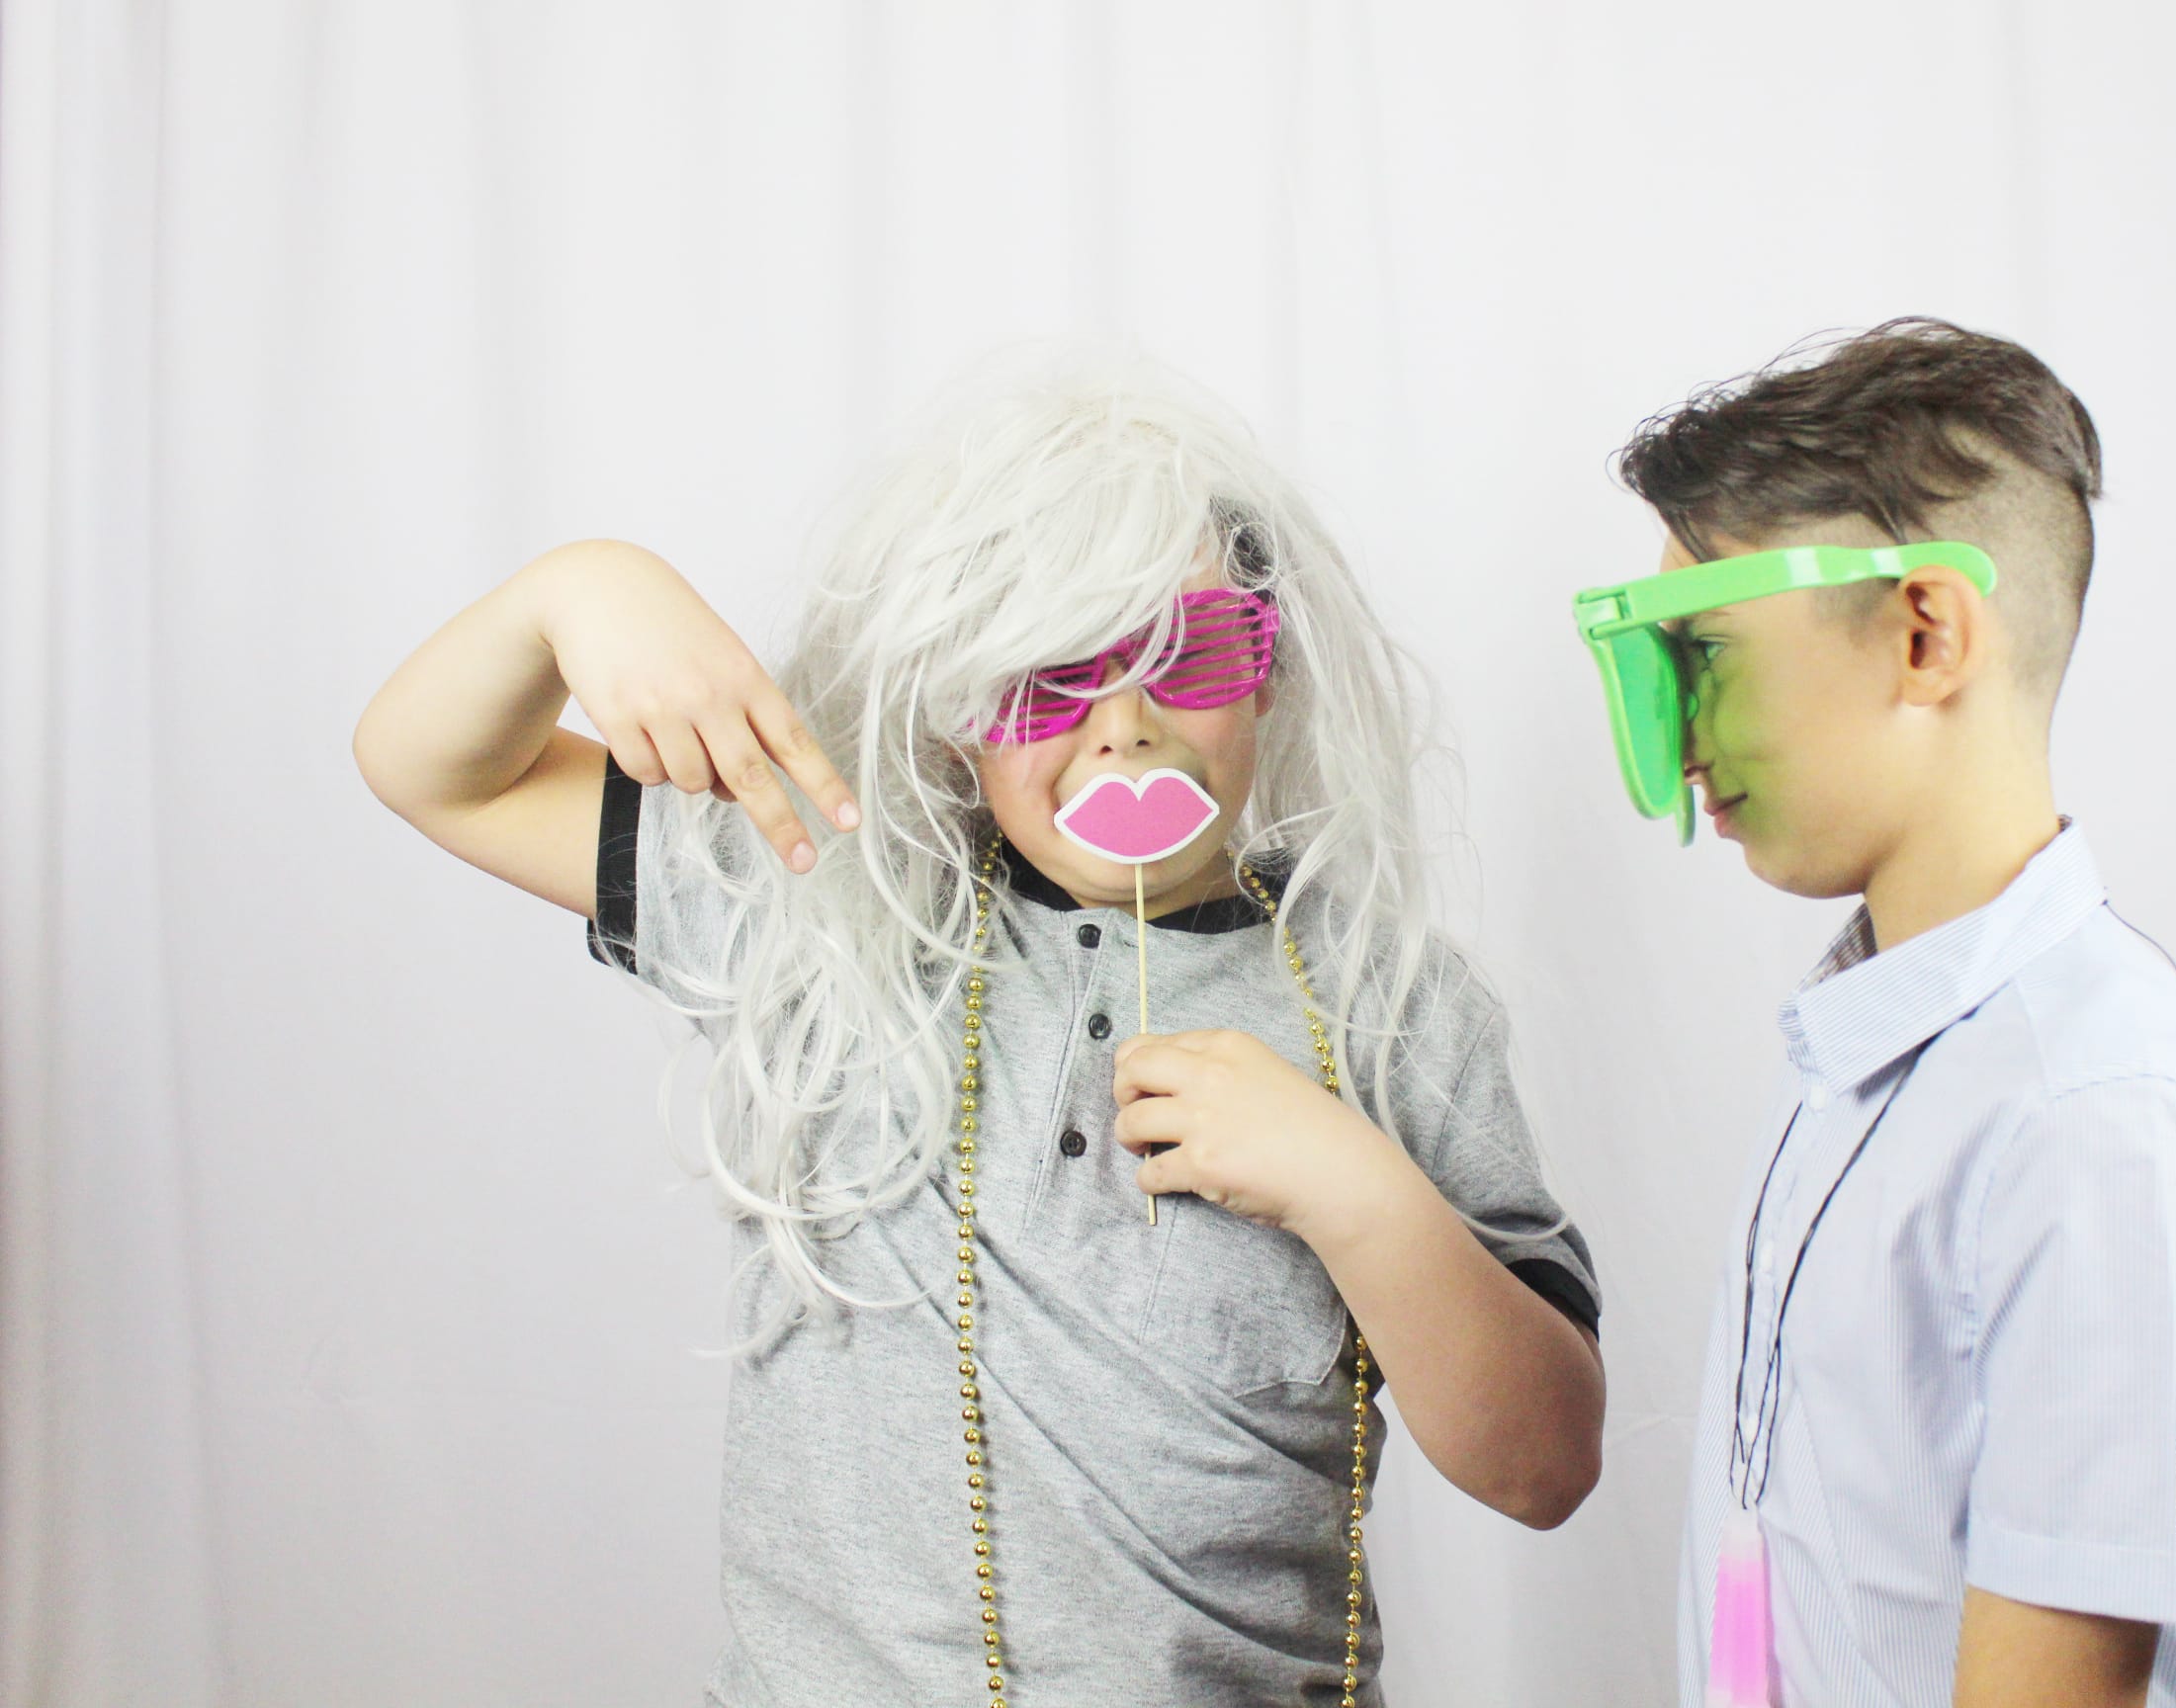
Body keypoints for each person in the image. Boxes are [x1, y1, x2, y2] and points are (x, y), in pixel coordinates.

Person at [353, 356, 1605, 1707]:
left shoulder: (1392, 1000)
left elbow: (1542, 1468)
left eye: (1188, 655)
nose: (1121, 732)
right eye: (1045, 678)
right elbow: (439, 773)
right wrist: (576, 590)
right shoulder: (824, 906)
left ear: (1271, 671)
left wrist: (1356, 1192)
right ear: (958, 716)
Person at [1572, 318, 2176, 1705]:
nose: (1677, 742)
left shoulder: (2094, 1121)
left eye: (1707, 652)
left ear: (1926, 632)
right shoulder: (1864, 1049)